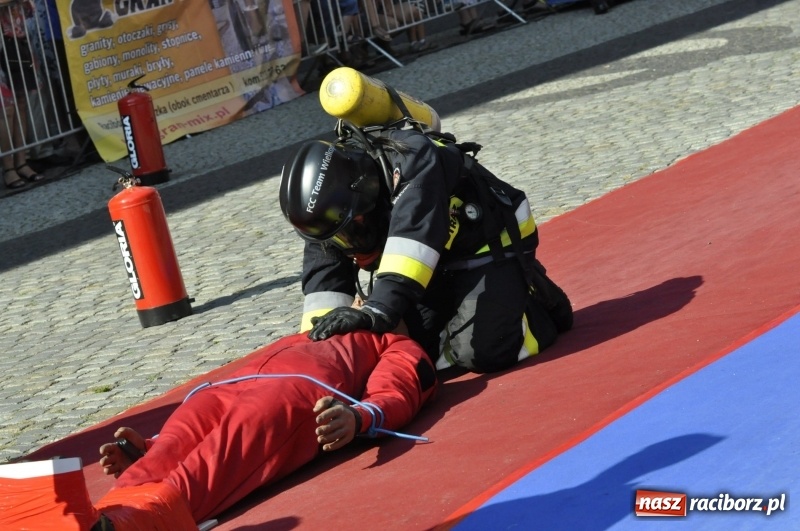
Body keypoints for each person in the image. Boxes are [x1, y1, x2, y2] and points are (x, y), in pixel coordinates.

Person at [1, 330, 436, 529]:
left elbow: (398, 392)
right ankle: (98, 519)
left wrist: (359, 418)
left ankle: (122, 530)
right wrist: (147, 447)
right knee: (161, 456)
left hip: (293, 397)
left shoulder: (398, 342)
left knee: (210, 469)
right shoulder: (319, 326)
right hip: (227, 389)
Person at [279, 117, 573, 374]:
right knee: (403, 343)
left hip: (488, 246)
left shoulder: (410, 161)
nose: (347, 245)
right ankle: (467, 312)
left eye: (347, 232)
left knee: (482, 350)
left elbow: (412, 240)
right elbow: (324, 281)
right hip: (435, 261)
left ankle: (535, 300)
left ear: (361, 200)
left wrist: (375, 312)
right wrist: (320, 354)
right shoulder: (330, 213)